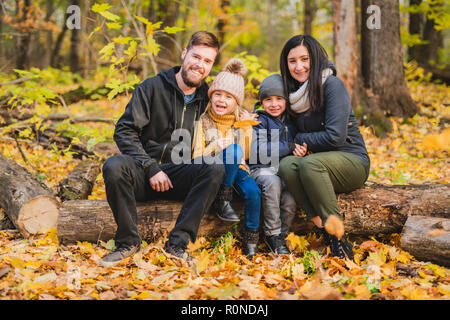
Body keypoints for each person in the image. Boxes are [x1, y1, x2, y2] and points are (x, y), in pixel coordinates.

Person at [100, 31, 225, 267]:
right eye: (196, 57)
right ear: (184, 53)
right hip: (145, 174)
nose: (200, 65)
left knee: (215, 167)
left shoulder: (210, 99)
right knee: (114, 166)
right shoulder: (152, 88)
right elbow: (124, 131)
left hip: (182, 177)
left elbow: (233, 118)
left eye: (207, 61)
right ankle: (128, 242)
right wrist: (150, 167)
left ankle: (177, 244)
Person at [278, 35, 370, 261]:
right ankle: (321, 227)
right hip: (317, 162)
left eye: (304, 59)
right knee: (288, 165)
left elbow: (336, 136)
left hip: (351, 160)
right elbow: (288, 134)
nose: (299, 67)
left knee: (310, 164)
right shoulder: (292, 93)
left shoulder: (332, 85)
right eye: (292, 61)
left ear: (316, 58)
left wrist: (302, 139)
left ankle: (339, 239)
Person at [192, 58, 261, 258]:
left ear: (236, 102)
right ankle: (222, 199)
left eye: (228, 97)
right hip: (212, 170)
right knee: (232, 151)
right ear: (211, 96)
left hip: (236, 169)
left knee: (253, 192)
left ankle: (251, 241)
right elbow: (196, 156)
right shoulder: (203, 122)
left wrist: (246, 127)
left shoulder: (240, 121)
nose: (222, 100)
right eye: (218, 94)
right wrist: (215, 146)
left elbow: (246, 155)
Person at [249, 74, 307, 255]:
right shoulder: (258, 120)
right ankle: (272, 235)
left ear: (287, 100)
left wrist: (300, 150)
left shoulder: (292, 121)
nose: (274, 104)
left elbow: (300, 142)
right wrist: (289, 147)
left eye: (279, 99)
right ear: (261, 101)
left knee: (290, 198)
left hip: (282, 170)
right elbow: (259, 150)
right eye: (268, 99)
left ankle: (282, 238)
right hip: (260, 169)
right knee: (272, 183)